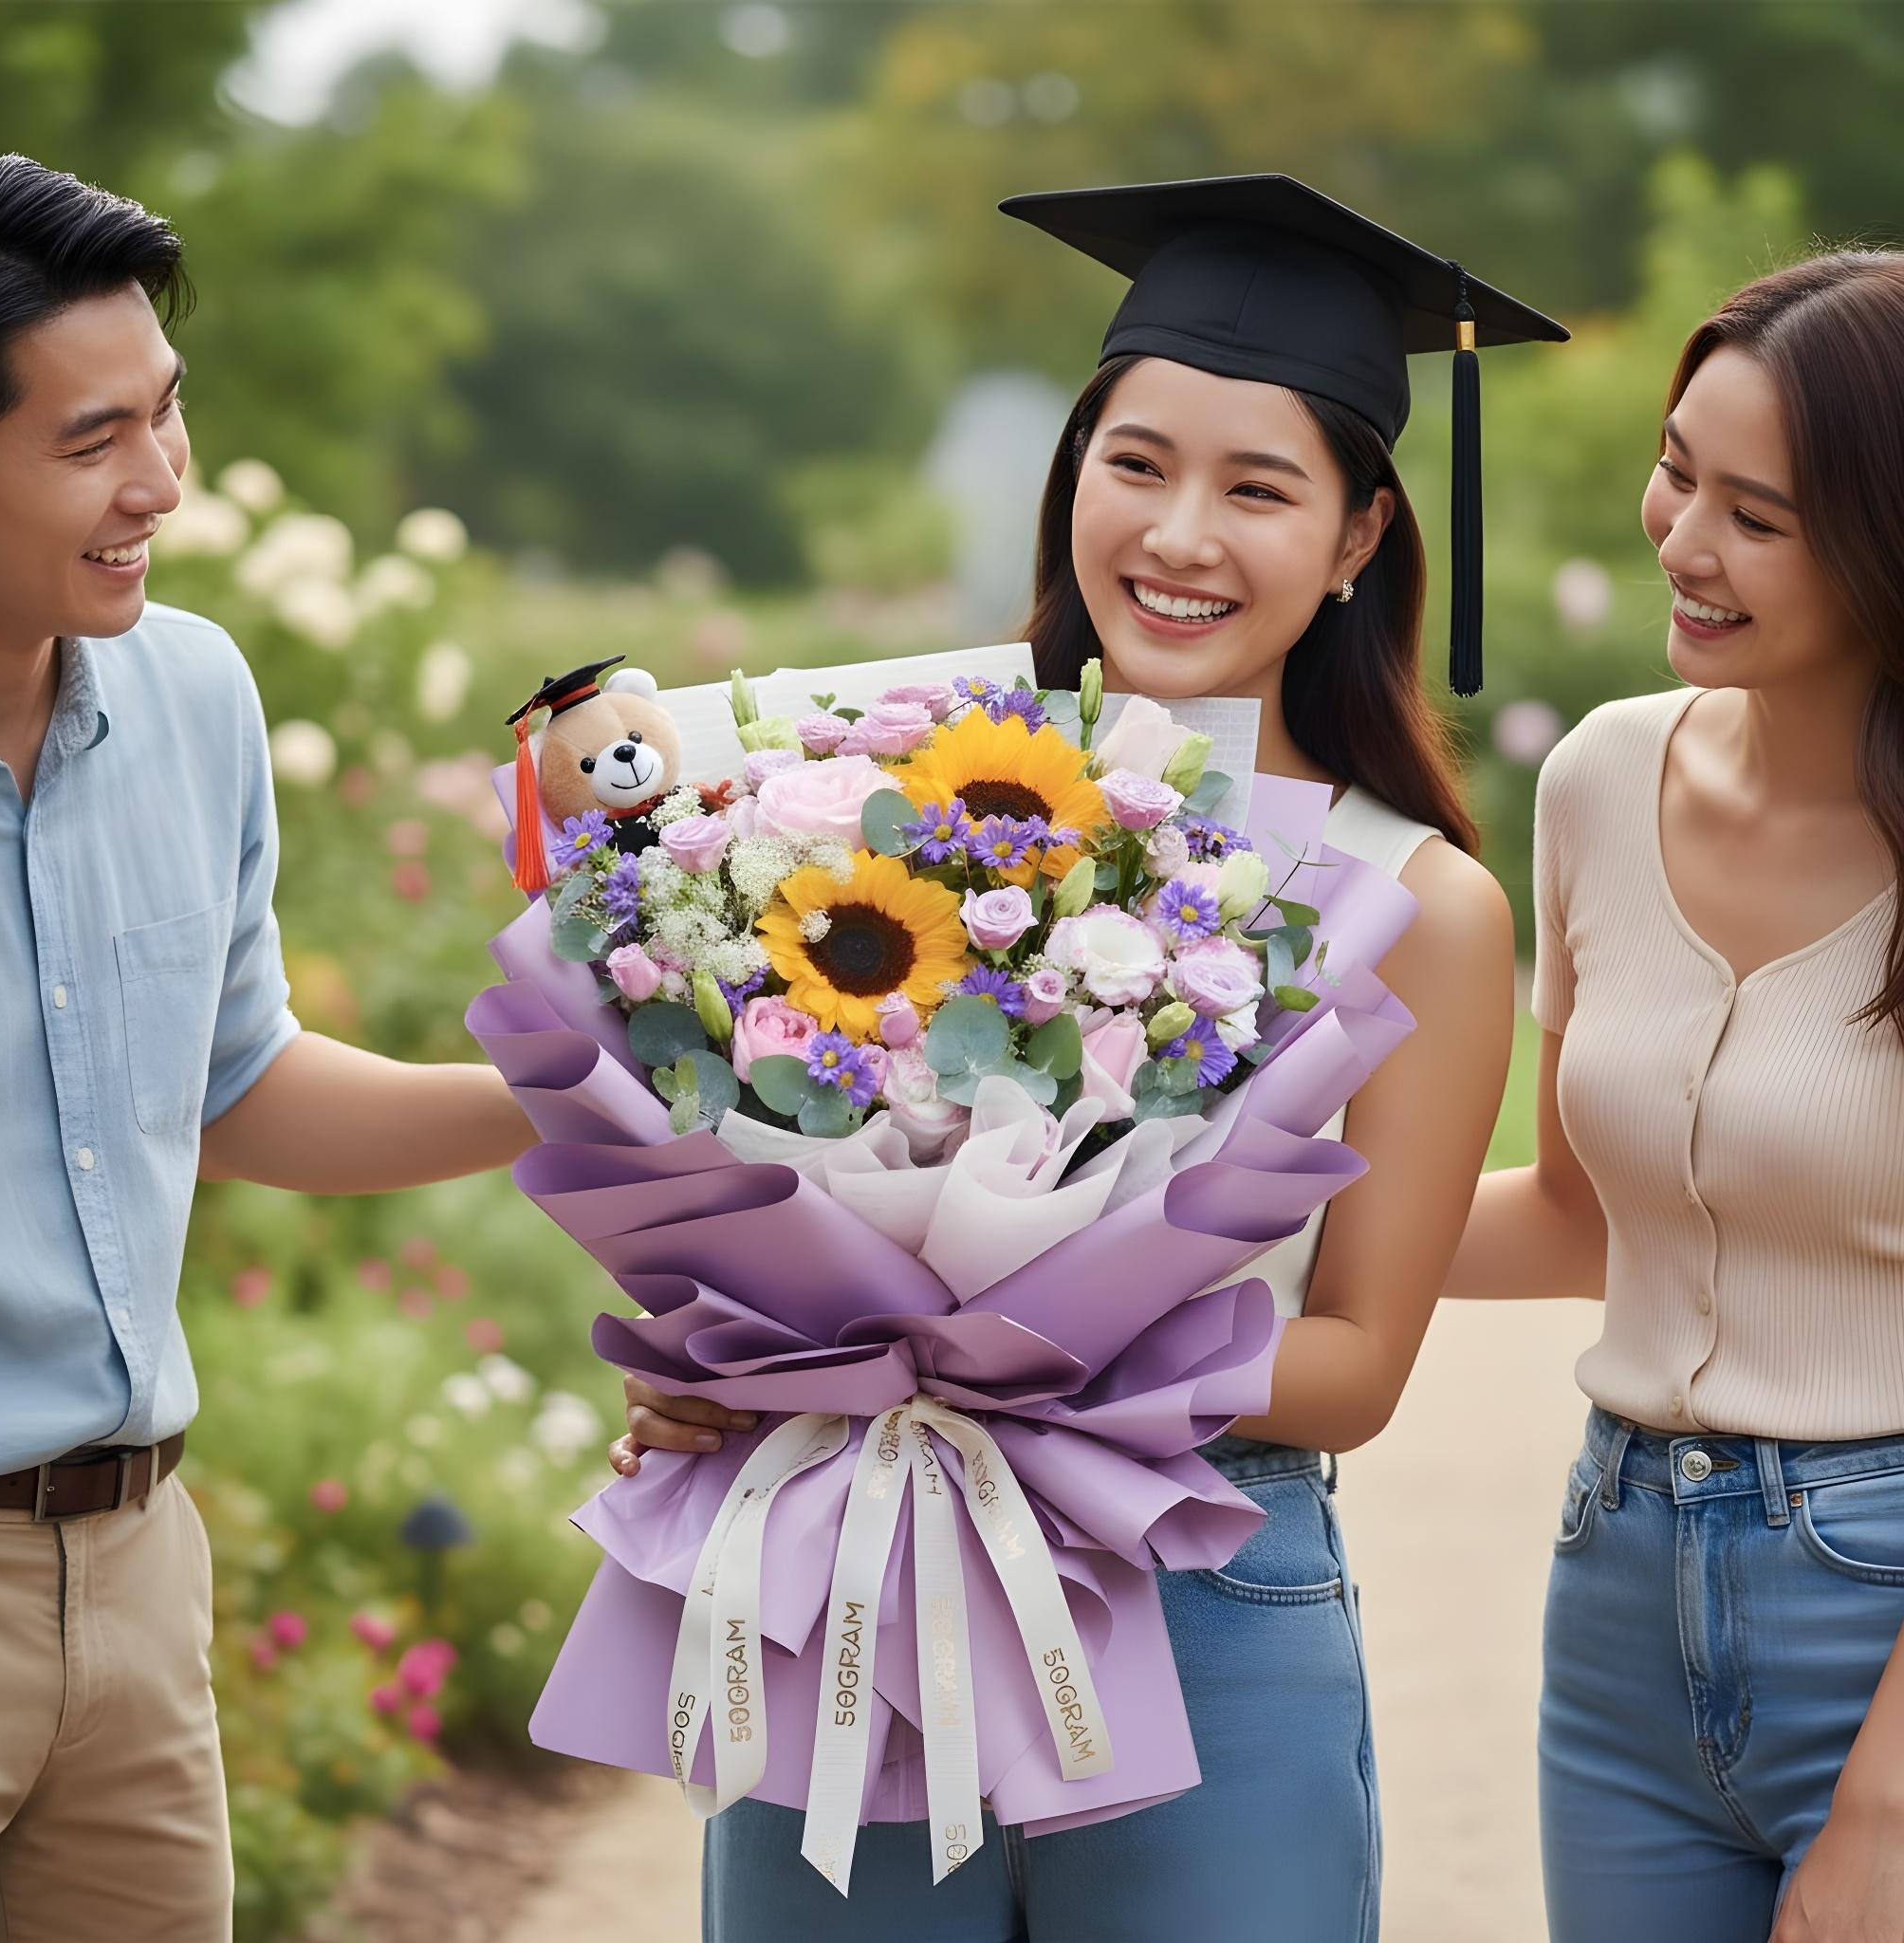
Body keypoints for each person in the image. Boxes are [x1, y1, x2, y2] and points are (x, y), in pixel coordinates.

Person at [613, 175, 1562, 1941]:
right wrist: (742, 1365)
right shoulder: (870, 797)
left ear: (1359, 536)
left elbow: (1355, 1366)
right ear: (1074, 479)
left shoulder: (1420, 903)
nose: (1180, 535)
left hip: (1200, 1588)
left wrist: (925, 1355)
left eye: (1258, 488)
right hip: (854, 1568)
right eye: (1137, 464)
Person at [0, 153, 536, 1943]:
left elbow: (238, 1084)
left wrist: (571, 1095)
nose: (162, 482)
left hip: (137, 1578)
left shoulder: (196, 696)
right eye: (92, 441)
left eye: (168, 411)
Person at [1445, 252, 1904, 1942]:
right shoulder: (1599, 777)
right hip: (1622, 1582)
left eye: (1756, 517)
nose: (1682, 541)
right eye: (1675, 470)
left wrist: (1887, 1808)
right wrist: (1197, 1231)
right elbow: (1580, 1221)